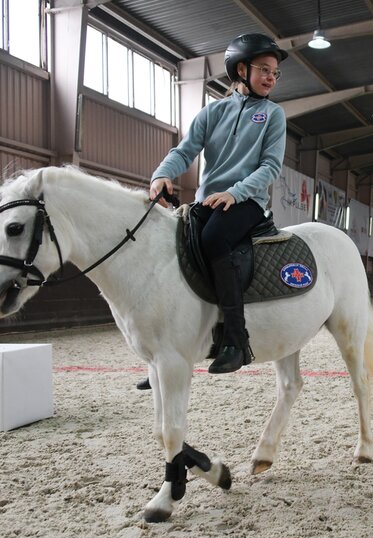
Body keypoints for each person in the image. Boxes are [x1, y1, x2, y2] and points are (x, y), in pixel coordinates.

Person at [137, 33, 288, 389]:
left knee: (214, 237)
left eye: (274, 73)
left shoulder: (273, 115)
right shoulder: (212, 112)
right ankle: (168, 347)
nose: (270, 77)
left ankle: (236, 340)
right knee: (175, 239)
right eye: (264, 70)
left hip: (247, 202)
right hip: (208, 200)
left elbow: (270, 168)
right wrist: (161, 175)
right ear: (242, 69)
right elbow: (184, 150)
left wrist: (235, 193)